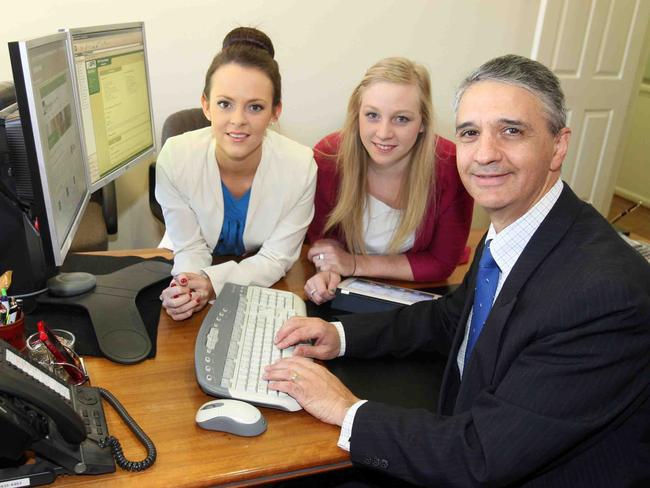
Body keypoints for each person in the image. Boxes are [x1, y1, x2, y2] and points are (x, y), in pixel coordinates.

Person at [264, 55, 650, 486]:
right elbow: (452, 317)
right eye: (470, 133)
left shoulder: (603, 296)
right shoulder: (518, 228)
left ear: (558, 145)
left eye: (511, 131)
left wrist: (346, 409)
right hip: (469, 425)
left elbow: (480, 457)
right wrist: (340, 337)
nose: (485, 154)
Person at [156, 27, 316, 321]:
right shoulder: (175, 157)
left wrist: (213, 284)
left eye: (255, 107)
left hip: (260, 282)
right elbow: (190, 246)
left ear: (275, 112)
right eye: (224, 104)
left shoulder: (301, 167)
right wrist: (187, 288)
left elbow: (274, 258)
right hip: (192, 262)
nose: (238, 120)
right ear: (206, 105)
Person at [305, 57, 473, 305]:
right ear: (356, 115)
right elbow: (323, 241)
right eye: (372, 115)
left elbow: (440, 264)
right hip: (348, 294)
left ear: (423, 123)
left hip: (419, 296)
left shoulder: (451, 166)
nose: (384, 133)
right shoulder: (328, 158)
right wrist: (326, 270)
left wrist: (353, 264)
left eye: (401, 119)